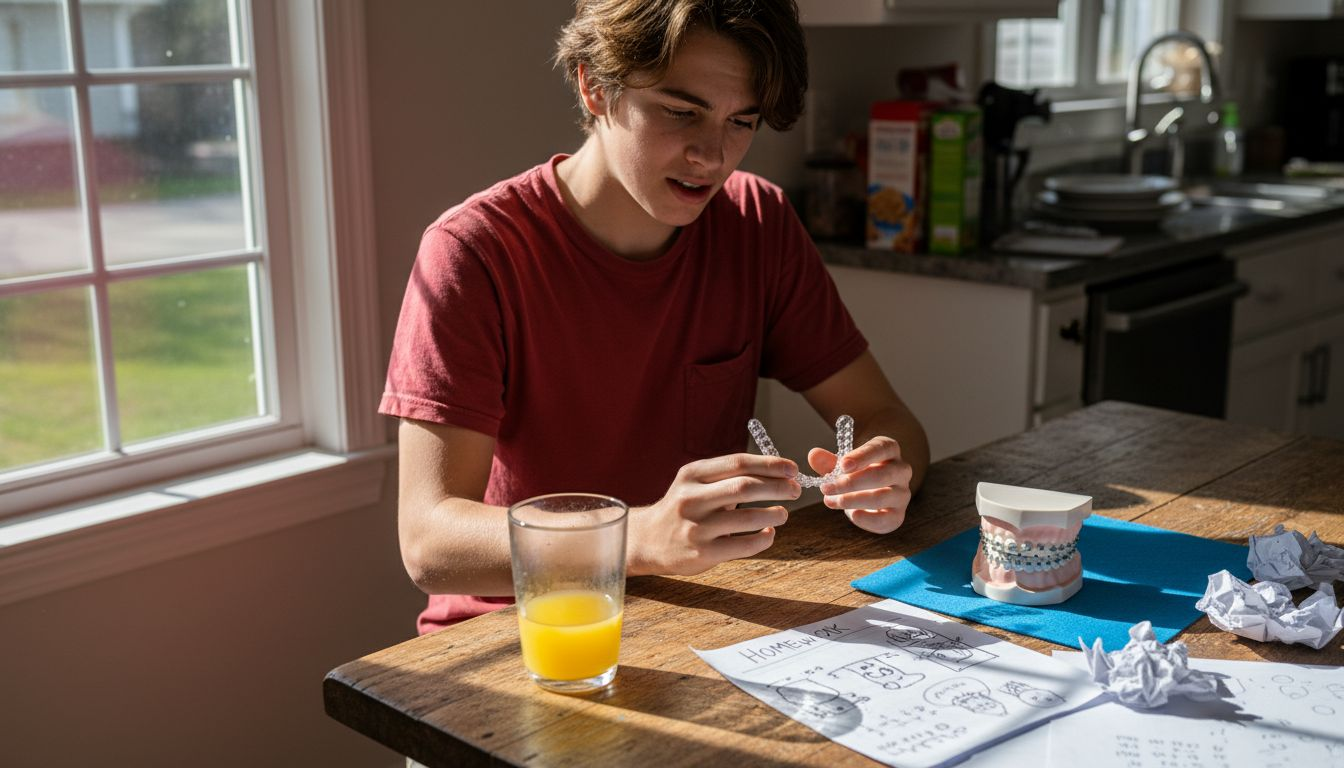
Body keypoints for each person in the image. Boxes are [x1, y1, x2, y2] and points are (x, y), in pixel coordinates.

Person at [380, 0, 929, 635]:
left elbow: (888, 420)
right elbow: (429, 544)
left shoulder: (759, 224)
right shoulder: (474, 252)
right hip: (519, 633)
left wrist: (887, 474)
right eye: (681, 112)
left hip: (700, 616)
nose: (712, 155)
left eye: (740, 122)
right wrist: (640, 538)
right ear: (593, 84)